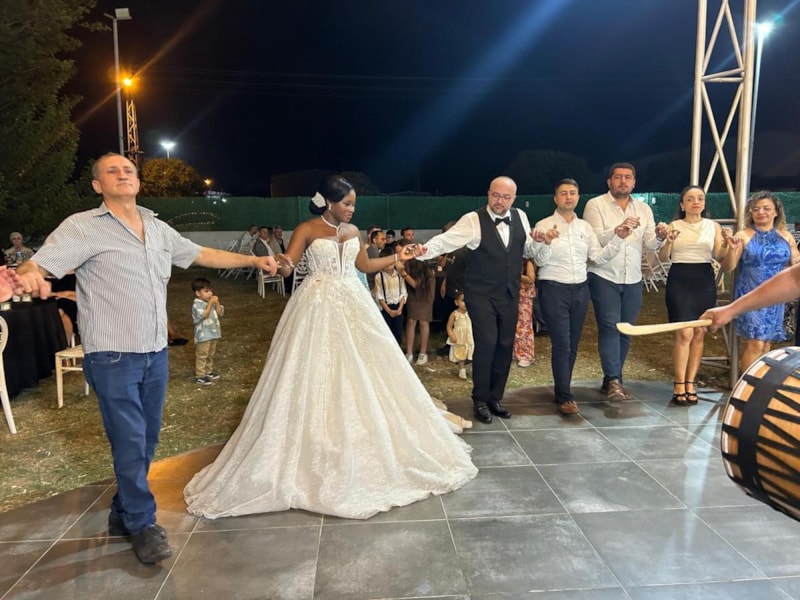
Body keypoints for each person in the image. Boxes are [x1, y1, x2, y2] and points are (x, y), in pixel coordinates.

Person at [15, 153, 278, 565]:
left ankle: (123, 510)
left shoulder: (156, 227)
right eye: (113, 171)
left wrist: (253, 260)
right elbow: (40, 263)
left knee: (148, 438)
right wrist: (29, 270)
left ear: (138, 182)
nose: (123, 174)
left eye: (129, 170)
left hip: (155, 352)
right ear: (97, 186)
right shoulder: (83, 227)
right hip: (112, 354)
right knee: (130, 439)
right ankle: (142, 522)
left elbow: (200, 254)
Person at [183, 175, 477, 520]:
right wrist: (278, 262)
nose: (352, 210)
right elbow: (289, 266)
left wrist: (397, 257)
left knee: (368, 365)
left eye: (354, 204)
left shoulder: (353, 232)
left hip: (353, 301)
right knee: (315, 368)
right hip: (316, 304)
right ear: (329, 202)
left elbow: (365, 266)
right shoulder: (307, 229)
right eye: (347, 203)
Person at [413, 176, 538, 424]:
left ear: (514, 198)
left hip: (510, 293)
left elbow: (528, 249)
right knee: (487, 342)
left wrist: (542, 242)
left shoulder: (521, 217)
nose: (500, 201)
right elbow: (447, 240)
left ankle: (495, 398)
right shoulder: (473, 220)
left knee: (505, 345)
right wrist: (424, 250)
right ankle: (480, 398)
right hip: (480, 294)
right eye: (496, 195)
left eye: (506, 197)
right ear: (488, 193)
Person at [531, 178, 629, 415]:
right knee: (562, 343)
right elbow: (539, 260)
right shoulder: (544, 225)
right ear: (555, 198)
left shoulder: (584, 227)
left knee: (572, 344)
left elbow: (597, 257)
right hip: (553, 288)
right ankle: (565, 396)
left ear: (577, 197)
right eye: (563, 193)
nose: (568, 197)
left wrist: (618, 238)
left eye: (573, 193)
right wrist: (545, 242)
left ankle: (563, 389)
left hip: (580, 289)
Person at [583, 162, 667, 401]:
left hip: (633, 278)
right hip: (604, 275)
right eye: (618, 177)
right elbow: (595, 239)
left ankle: (612, 377)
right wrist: (618, 230)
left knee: (626, 330)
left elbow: (649, 243)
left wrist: (659, 237)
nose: (623, 181)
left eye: (627, 177)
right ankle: (614, 380)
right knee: (610, 327)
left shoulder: (643, 209)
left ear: (634, 182)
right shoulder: (595, 205)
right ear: (609, 181)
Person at [658, 185, 732, 405]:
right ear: (682, 205)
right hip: (680, 280)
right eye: (690, 199)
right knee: (684, 333)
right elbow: (663, 257)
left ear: (704, 203)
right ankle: (679, 383)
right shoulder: (674, 225)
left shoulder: (713, 226)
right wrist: (669, 241)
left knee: (699, 333)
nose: (696, 202)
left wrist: (727, 243)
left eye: (700, 198)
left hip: (704, 280)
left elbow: (719, 255)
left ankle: (691, 382)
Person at [720, 191, 800, 372]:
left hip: (775, 296)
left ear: (776, 212)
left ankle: (758, 382)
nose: (760, 212)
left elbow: (795, 264)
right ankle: (746, 384)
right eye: (756, 209)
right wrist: (732, 250)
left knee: (766, 344)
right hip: (751, 294)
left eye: (766, 208)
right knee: (756, 342)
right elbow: (727, 267)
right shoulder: (744, 235)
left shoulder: (786, 237)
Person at [402, 253, 435, 365]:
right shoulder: (408, 263)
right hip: (413, 295)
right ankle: (409, 352)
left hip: (425, 293)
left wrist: (404, 274)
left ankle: (423, 352)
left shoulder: (426, 269)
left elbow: (417, 285)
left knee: (423, 322)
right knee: (411, 321)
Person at [192, 277, 224, 385]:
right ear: (198, 293)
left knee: (210, 353)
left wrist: (217, 303)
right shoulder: (197, 305)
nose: (210, 293)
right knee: (202, 355)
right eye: (206, 291)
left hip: (213, 332)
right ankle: (200, 375)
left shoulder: (210, 302)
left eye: (210, 290)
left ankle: (208, 371)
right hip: (203, 334)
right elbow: (204, 315)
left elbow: (219, 313)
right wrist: (210, 304)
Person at [373, 246, 407, 343]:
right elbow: (379, 296)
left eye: (390, 263)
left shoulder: (399, 275)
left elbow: (403, 293)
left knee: (398, 333)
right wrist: (388, 310)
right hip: (386, 308)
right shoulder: (379, 277)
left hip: (398, 307)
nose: (388, 266)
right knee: (387, 333)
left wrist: (400, 308)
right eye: (385, 263)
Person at [513, 258, 536, 368]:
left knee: (524, 327)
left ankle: (526, 354)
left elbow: (531, 279)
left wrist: (514, 275)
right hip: (513, 295)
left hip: (524, 298)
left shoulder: (527, 262)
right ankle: (515, 351)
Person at [446, 291, 474, 380]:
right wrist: (451, 335)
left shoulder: (471, 313)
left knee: (470, 352)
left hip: (469, 337)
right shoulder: (454, 314)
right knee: (461, 353)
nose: (465, 303)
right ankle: (462, 370)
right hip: (460, 338)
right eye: (463, 300)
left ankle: (474, 369)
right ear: (456, 302)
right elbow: (449, 326)